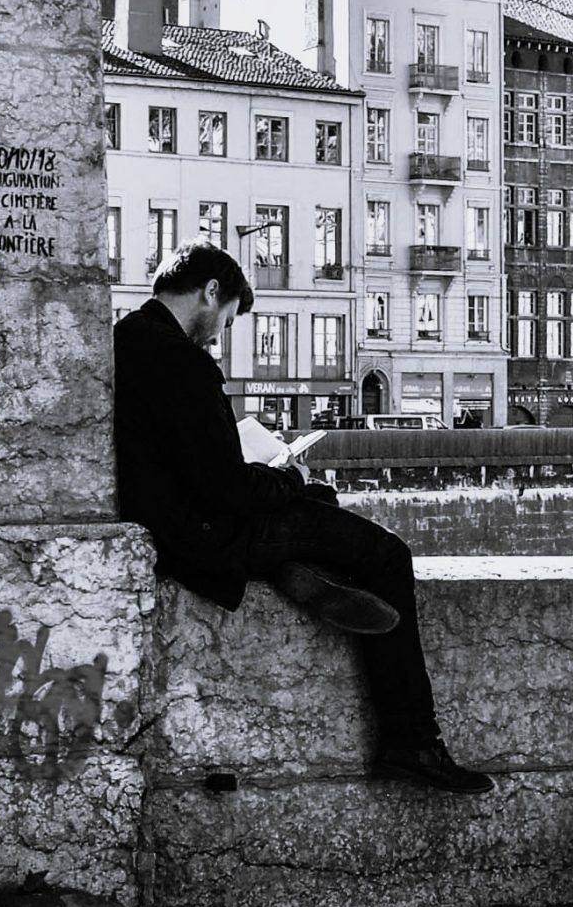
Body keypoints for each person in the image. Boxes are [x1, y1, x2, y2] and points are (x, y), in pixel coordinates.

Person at [114, 242, 495, 794]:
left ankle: (296, 571)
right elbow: (226, 487)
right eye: (225, 318)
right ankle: (411, 739)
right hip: (207, 535)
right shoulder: (182, 360)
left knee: (314, 510)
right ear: (211, 291)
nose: (220, 333)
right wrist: (286, 473)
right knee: (384, 552)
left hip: (172, 525)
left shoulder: (126, 340)